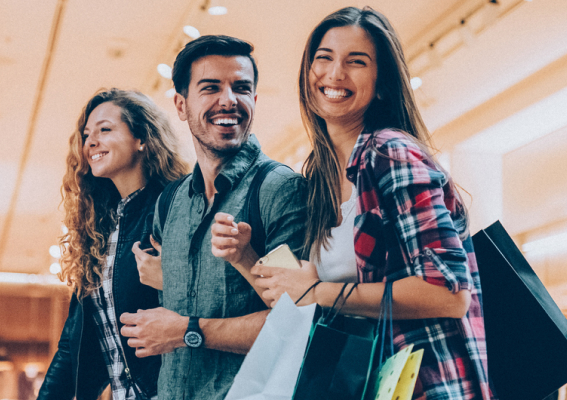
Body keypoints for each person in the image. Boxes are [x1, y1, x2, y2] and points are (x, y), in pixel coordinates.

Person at [249, 7, 493, 399]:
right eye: (323, 58)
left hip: (425, 385)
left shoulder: (390, 153)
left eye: (356, 62)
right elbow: (302, 297)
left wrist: (318, 290)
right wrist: (244, 255)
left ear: (381, 83)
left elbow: (449, 294)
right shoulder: (320, 177)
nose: (334, 74)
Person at [117, 35, 310, 399]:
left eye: (241, 88)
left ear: (255, 99)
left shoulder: (280, 190)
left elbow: (296, 320)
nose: (229, 99)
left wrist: (187, 330)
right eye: (210, 88)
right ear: (181, 104)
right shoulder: (171, 202)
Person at [37, 89, 189, 400]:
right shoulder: (100, 230)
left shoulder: (174, 208)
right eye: (87, 134)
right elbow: (73, 345)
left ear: (141, 139)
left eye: (105, 129)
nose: (91, 142)